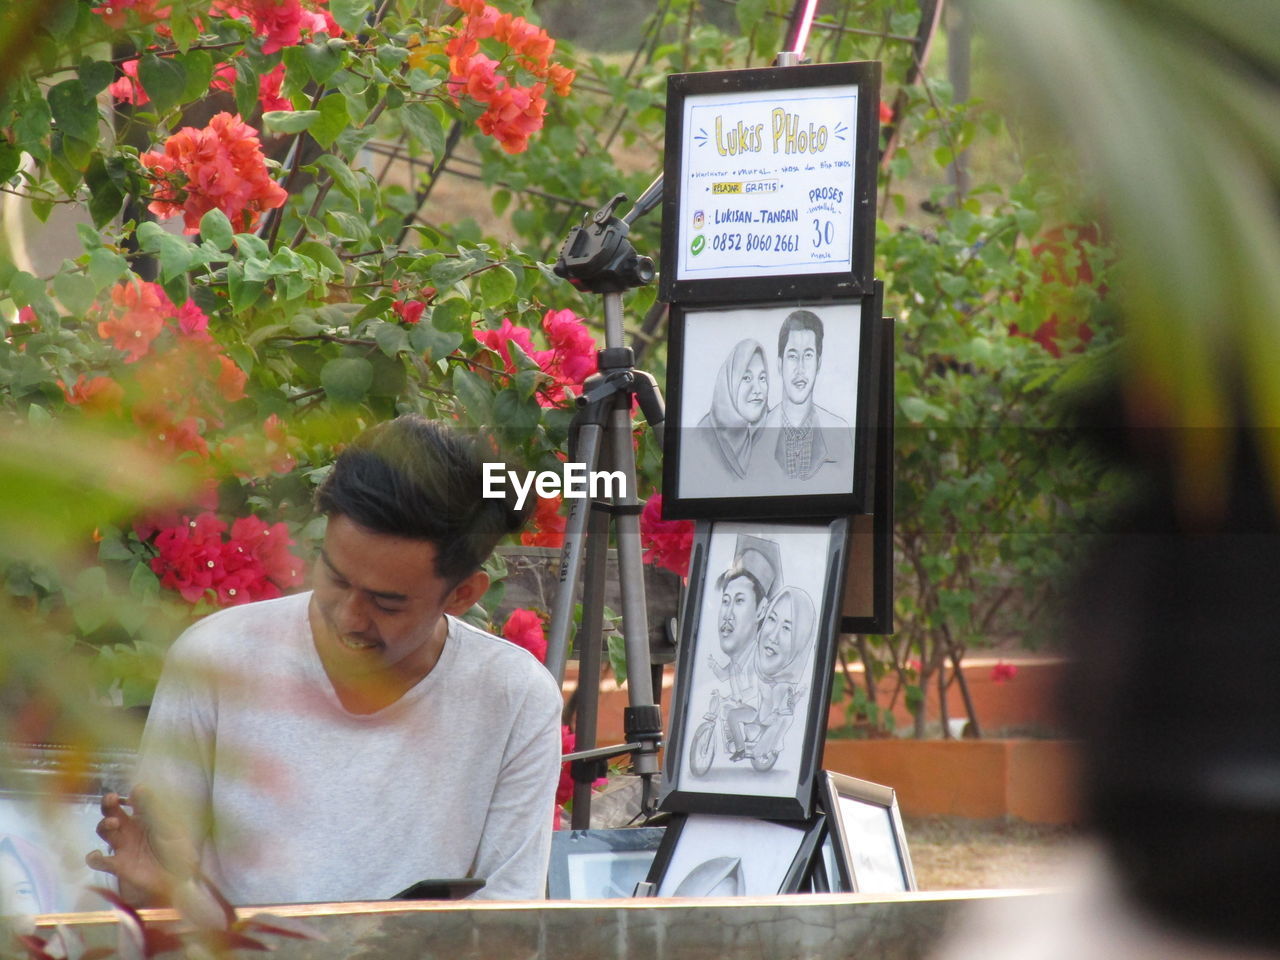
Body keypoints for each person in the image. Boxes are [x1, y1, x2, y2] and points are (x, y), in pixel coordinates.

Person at [85, 415, 565, 906]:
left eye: (387, 603)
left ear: (462, 594)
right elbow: (163, 900)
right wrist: (154, 895)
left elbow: (509, 915)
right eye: (335, 579)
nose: (349, 618)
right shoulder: (216, 659)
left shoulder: (512, 696)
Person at [754, 310, 852, 483]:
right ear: (779, 364)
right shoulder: (757, 435)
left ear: (818, 363)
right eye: (792, 356)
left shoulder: (840, 432)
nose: (800, 368)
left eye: (808, 355)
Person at [690, 338, 770, 483]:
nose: (757, 390)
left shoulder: (774, 426)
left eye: (762, 378)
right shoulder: (701, 438)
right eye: (746, 378)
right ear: (729, 381)